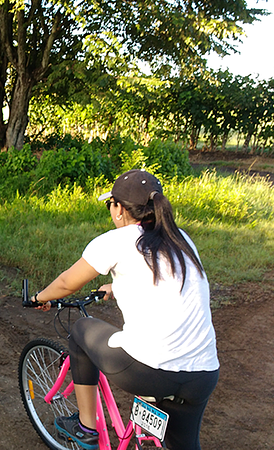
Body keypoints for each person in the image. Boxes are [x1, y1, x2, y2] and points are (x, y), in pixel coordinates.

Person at [30, 169, 219, 450]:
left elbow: (67, 282)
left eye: (111, 205)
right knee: (185, 445)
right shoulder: (181, 239)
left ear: (118, 209)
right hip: (203, 373)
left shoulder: (116, 241)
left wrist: (39, 297)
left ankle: (85, 427)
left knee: (82, 329)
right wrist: (114, 287)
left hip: (149, 370)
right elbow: (169, 283)